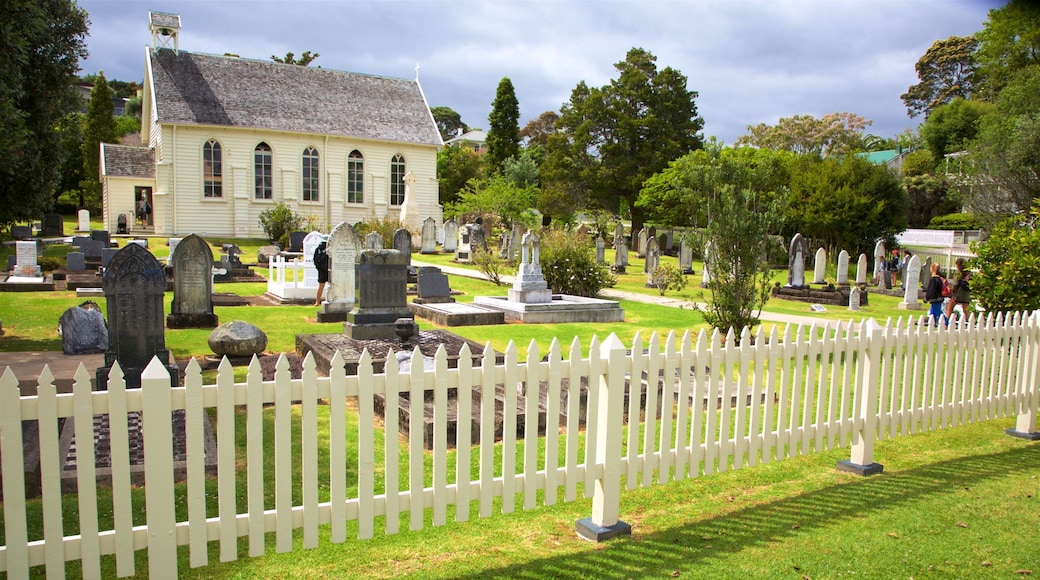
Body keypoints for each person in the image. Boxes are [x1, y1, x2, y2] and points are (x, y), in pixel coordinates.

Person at [946, 257, 972, 322]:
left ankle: (947, 323)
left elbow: (965, 284)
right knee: (965, 310)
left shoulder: (967, 274)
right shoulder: (964, 274)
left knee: (950, 308)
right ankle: (968, 322)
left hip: (960, 294)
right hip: (964, 294)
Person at [923, 261, 948, 327]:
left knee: (938, 312)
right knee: (932, 313)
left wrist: (927, 297)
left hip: (935, 299)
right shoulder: (939, 279)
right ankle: (932, 323)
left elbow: (931, 290)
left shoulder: (934, 279)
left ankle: (947, 323)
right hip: (939, 298)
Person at [313, 236, 330, 306]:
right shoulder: (330, 248)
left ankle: (317, 302)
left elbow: (315, 259)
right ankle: (331, 300)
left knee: (320, 286)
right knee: (333, 286)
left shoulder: (318, 249)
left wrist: (319, 268)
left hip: (321, 270)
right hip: (329, 269)